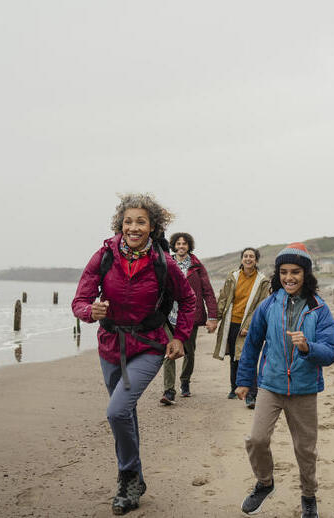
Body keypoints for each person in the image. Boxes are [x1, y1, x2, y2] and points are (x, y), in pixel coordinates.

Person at [72, 193, 196, 516]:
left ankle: (126, 476)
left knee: (116, 412)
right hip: (110, 346)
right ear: (120, 224)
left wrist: (180, 337)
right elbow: (79, 301)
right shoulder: (104, 256)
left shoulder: (163, 262)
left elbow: (189, 299)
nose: (134, 227)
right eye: (128, 221)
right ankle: (136, 480)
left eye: (141, 221)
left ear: (152, 226)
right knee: (125, 413)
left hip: (149, 346)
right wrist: (91, 310)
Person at [235, 243, 334, 517]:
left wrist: (308, 348)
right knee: (257, 440)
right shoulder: (268, 305)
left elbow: (331, 352)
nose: (289, 277)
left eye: (295, 272)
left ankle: (308, 496)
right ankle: (265, 483)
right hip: (270, 385)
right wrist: (245, 380)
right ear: (277, 274)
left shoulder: (319, 309)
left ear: (306, 274)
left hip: (305, 389)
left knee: (305, 449)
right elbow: (252, 345)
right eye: (283, 272)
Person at [159, 232, 218, 405]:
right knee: (168, 351)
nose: (181, 246)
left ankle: (185, 380)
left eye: (184, 244)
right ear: (173, 246)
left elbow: (207, 291)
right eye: (178, 244)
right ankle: (169, 390)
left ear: (189, 246)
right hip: (169, 316)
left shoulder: (197, 266)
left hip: (189, 316)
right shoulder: (167, 263)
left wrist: (213, 316)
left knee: (189, 353)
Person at [212, 247, 270, 409]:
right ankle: (234, 388)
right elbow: (223, 298)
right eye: (245, 256)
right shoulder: (233, 277)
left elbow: (261, 305)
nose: (248, 259)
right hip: (232, 322)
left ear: (256, 260)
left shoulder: (262, 280)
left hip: (249, 324)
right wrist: (215, 318)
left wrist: (249, 326)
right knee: (234, 357)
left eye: (252, 256)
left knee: (248, 357)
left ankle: (252, 395)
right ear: (241, 259)